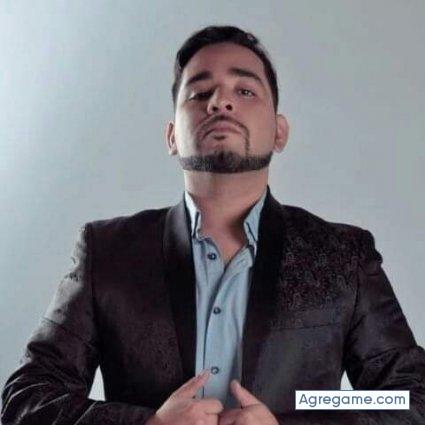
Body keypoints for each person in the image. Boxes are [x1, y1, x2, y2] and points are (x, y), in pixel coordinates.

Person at [2, 25, 425, 425]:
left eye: (245, 91)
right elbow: (28, 397)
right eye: (200, 92)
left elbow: (409, 397)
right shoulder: (108, 252)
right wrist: (147, 423)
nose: (220, 102)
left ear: (279, 132)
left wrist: (296, 417)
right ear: (172, 137)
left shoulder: (341, 255)